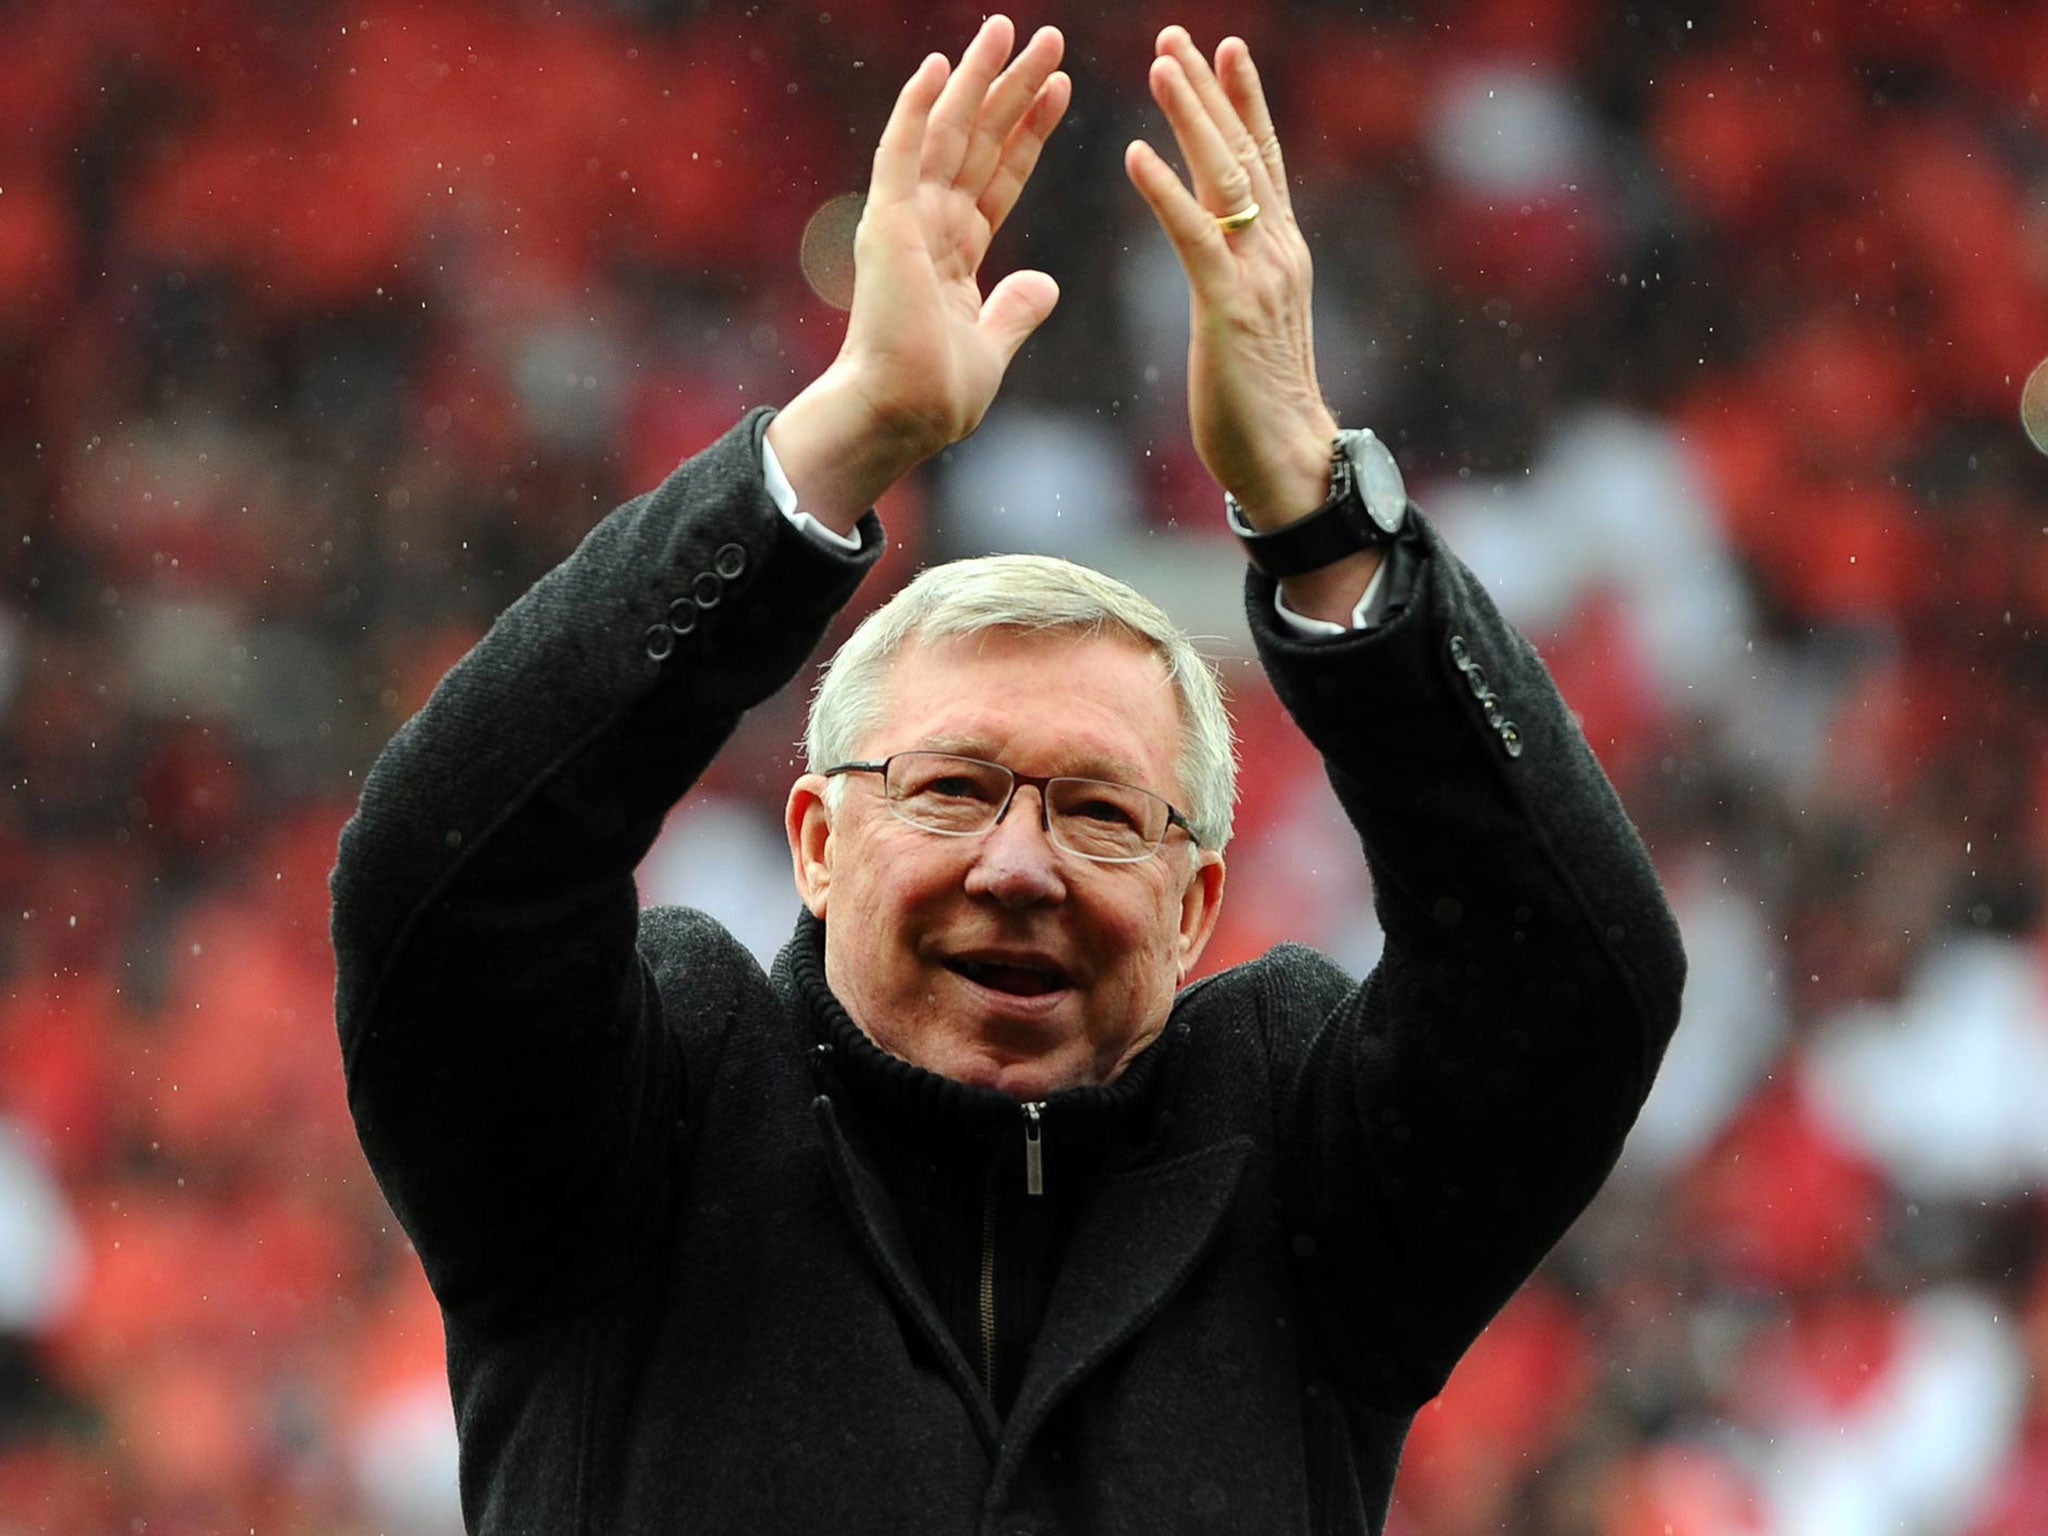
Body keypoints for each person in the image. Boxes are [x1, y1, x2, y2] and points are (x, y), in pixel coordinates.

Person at [330, 17, 1685, 1534]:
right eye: (955, 790)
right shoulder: (643, 1127)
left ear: (1194, 908)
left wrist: (1321, 517)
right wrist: (839, 443)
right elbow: (440, 883)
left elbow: (1575, 984)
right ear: (817, 838)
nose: (1020, 865)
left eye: (1103, 812)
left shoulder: (1293, 1173)